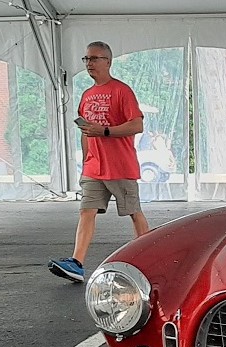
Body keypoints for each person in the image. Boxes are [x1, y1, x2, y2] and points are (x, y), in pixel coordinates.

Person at [48, 41, 148, 283]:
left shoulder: (122, 91)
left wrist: (105, 131)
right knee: (86, 211)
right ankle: (77, 263)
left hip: (120, 166)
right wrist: (86, 160)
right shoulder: (87, 95)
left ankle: (148, 259)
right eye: (86, 59)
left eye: (94, 58)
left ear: (108, 62)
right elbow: (86, 132)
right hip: (94, 167)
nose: (89, 63)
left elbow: (137, 125)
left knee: (133, 212)